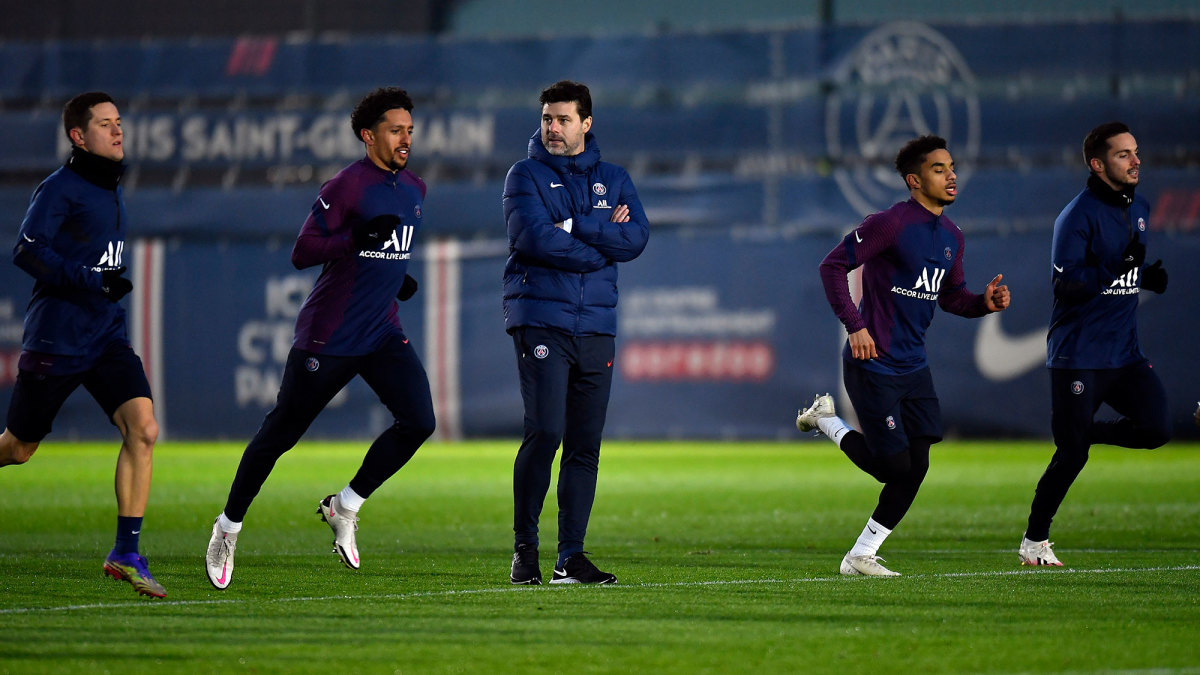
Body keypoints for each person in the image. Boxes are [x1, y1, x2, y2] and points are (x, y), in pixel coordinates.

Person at [205, 87, 435, 589]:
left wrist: (397, 278)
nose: (405, 139)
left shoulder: (415, 188)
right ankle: (228, 527)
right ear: (367, 135)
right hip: (329, 335)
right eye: (396, 130)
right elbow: (303, 251)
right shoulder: (348, 185)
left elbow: (385, 251)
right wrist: (357, 239)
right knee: (279, 435)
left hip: (381, 332)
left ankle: (344, 505)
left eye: (410, 130)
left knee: (419, 420)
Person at [796, 135, 1011, 577]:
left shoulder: (952, 236)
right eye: (939, 168)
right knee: (894, 467)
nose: (951, 175)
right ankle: (827, 421)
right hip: (873, 363)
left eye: (951, 166)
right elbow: (831, 266)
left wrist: (982, 304)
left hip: (914, 367)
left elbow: (951, 297)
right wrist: (855, 326)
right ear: (914, 180)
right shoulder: (889, 223)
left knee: (917, 466)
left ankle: (860, 556)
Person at [1, 92, 164, 598]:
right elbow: (27, 251)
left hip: (104, 335)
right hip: (59, 338)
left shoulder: (108, 182)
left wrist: (101, 291)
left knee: (144, 428)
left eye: (120, 122)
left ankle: (126, 552)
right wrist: (92, 280)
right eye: (105, 124)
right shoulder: (61, 188)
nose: (118, 131)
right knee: (19, 448)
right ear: (78, 136)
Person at [501, 80, 649, 585]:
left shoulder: (615, 177)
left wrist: (575, 225)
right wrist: (602, 235)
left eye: (563, 120)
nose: (553, 128)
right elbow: (532, 239)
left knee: (585, 445)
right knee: (545, 432)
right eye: (547, 119)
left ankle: (571, 556)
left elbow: (637, 238)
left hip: (596, 328)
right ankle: (525, 550)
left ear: (586, 123)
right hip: (541, 319)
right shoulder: (524, 175)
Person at [1018, 122, 1170, 567]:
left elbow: (1125, 269)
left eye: (1135, 151)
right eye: (1124, 155)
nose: (1136, 160)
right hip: (1078, 355)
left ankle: (1086, 433)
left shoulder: (1138, 207)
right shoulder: (1076, 216)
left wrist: (1144, 277)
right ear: (1098, 165)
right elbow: (1067, 285)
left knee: (1157, 429)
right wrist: (1118, 266)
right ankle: (1034, 541)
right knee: (1071, 456)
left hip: (1124, 354)